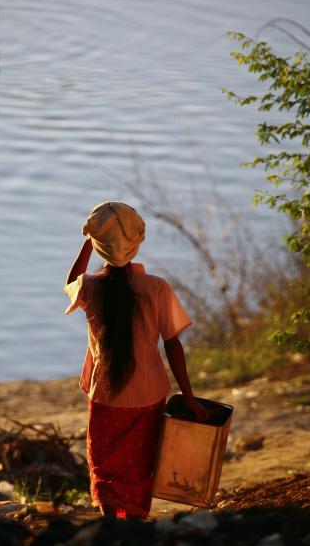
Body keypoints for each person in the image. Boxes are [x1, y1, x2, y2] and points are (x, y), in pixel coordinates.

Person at [64, 201, 211, 521]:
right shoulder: (156, 288)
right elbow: (173, 347)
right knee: (139, 466)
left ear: (100, 246)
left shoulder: (90, 287)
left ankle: (109, 523)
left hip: (105, 396)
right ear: (135, 242)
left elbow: (70, 283)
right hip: (147, 396)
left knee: (104, 463)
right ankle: (132, 524)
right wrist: (188, 397)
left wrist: (87, 245)